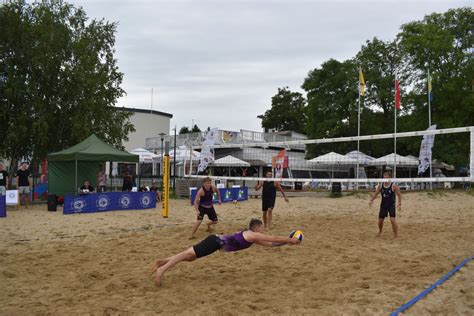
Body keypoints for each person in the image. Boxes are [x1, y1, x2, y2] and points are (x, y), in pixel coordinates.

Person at [150, 218, 301, 286]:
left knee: (189, 257)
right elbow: (272, 237)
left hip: (215, 243)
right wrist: (290, 239)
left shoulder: (253, 238)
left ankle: (162, 262)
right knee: (187, 255)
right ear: (257, 227)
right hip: (215, 242)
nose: (263, 230)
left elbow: (272, 243)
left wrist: (287, 242)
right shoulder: (252, 234)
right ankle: (162, 269)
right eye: (262, 228)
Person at [369, 171, 402, 238]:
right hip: (383, 205)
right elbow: (376, 193)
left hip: (391, 205)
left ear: (390, 178)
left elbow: (399, 195)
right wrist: (371, 200)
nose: (385, 179)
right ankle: (380, 231)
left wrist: (399, 203)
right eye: (384, 177)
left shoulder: (393, 186)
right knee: (380, 221)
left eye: (387, 177)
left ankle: (395, 234)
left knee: (392, 220)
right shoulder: (381, 186)